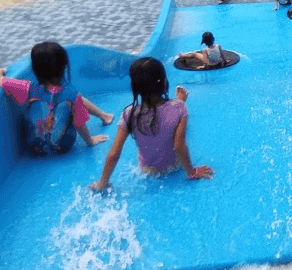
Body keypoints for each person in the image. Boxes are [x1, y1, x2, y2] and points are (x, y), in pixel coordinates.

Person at [89, 58, 214, 190]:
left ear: (135, 88)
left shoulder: (129, 114)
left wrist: (102, 183)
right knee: (178, 120)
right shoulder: (180, 108)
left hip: (147, 170)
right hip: (174, 166)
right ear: (165, 83)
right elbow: (179, 146)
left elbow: (114, 153)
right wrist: (191, 172)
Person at [0, 42, 110, 155]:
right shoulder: (72, 95)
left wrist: (2, 70)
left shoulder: (26, 88)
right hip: (63, 147)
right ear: (64, 67)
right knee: (72, 100)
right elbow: (79, 125)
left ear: (35, 69)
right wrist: (90, 141)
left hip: (34, 146)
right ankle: (104, 116)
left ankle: (104, 116)